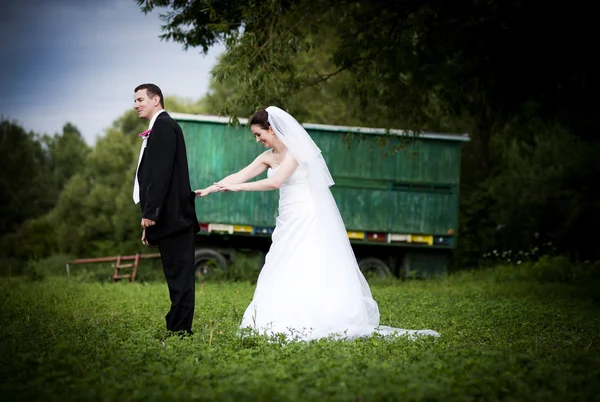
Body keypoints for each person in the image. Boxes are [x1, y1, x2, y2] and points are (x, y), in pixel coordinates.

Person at [196, 106, 439, 341]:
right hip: (288, 217)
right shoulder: (267, 157)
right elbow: (239, 175)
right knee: (281, 262)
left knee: (307, 262)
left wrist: (236, 188)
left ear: (271, 129)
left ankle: (316, 316)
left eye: (259, 134)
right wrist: (213, 188)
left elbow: (275, 182)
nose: (258, 140)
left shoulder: (294, 151)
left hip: (307, 214)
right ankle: (278, 317)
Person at [133, 83, 199, 336]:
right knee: (176, 276)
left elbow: (160, 174)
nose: (136, 104)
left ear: (156, 99)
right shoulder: (161, 126)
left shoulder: (163, 126)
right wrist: (151, 219)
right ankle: (178, 329)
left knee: (180, 277)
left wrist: (151, 213)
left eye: (140, 99)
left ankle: (180, 331)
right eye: (135, 100)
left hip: (174, 217)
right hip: (170, 218)